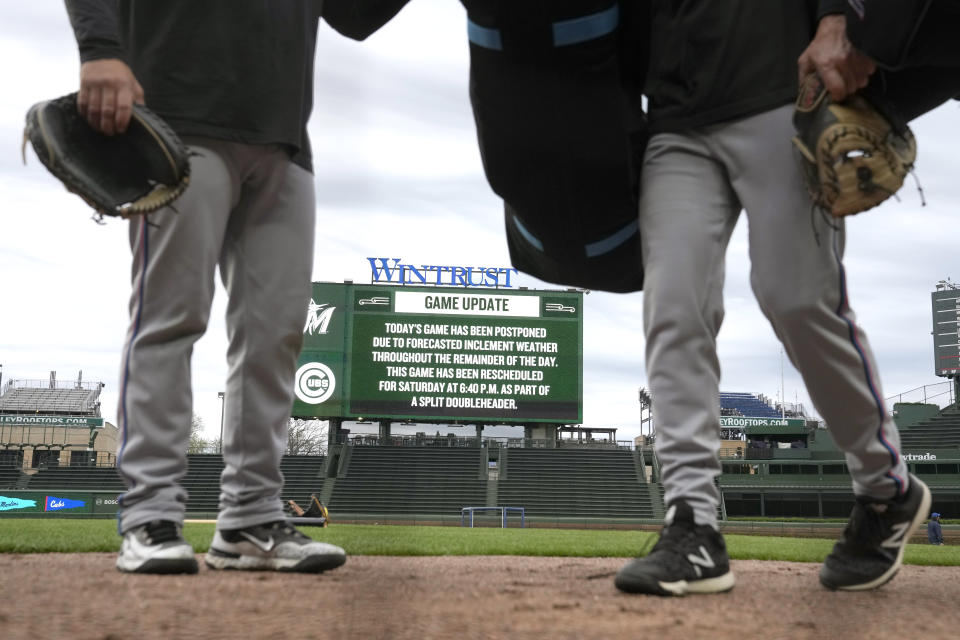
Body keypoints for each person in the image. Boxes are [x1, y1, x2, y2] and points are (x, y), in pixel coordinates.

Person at [63, 0, 407, 574]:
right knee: (170, 319)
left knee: (276, 334)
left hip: (284, 138)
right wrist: (100, 50)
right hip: (176, 117)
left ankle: (250, 518)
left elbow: (354, 15)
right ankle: (150, 515)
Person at [613, 2, 933, 596]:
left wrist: (843, 17)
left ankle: (886, 490)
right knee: (673, 307)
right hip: (674, 117)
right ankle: (693, 525)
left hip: (781, 92)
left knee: (797, 298)